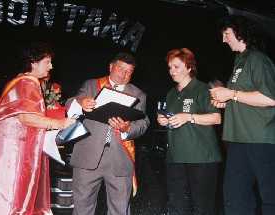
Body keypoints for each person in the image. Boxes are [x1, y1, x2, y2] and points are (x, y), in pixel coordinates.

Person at [0, 42, 75, 214]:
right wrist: (60, 123)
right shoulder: (28, 82)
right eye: (47, 62)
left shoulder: (18, 81)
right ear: (34, 62)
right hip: (12, 149)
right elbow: (26, 117)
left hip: (4, 146)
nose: (51, 66)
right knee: (10, 197)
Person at [66, 52, 150, 215]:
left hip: (120, 160)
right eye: (120, 69)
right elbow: (70, 103)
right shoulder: (91, 85)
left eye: (129, 72)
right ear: (111, 67)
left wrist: (127, 129)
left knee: (120, 210)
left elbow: (143, 123)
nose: (124, 74)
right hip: (87, 157)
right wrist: (81, 103)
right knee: (82, 208)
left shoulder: (139, 94)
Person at [210, 16, 275, 215]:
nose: (223, 39)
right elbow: (243, 98)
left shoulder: (258, 59)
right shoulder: (240, 61)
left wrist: (231, 94)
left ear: (240, 33)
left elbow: (270, 98)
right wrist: (225, 101)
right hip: (237, 140)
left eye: (226, 34)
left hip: (260, 140)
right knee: (234, 196)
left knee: (270, 196)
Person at [157, 48, 222, 215]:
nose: (171, 71)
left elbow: (216, 118)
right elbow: (173, 118)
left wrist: (189, 117)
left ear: (189, 67)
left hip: (202, 158)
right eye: (170, 67)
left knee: (203, 207)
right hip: (175, 158)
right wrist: (164, 120)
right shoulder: (171, 93)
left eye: (176, 67)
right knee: (177, 206)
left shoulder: (202, 89)